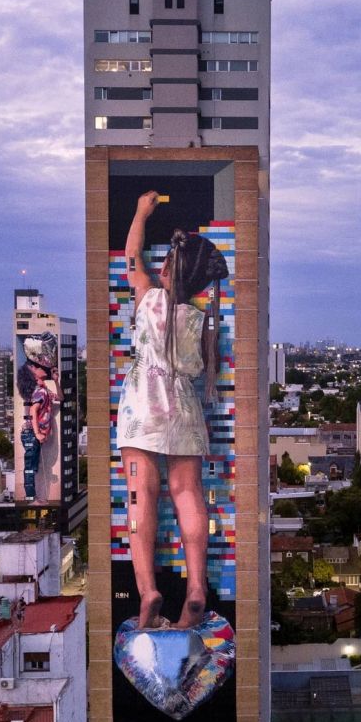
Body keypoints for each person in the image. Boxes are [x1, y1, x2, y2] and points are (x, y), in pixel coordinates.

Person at [117, 191, 229, 630]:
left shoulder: (147, 299)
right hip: (184, 413)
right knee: (188, 494)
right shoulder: (201, 321)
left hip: (142, 411)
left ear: (167, 269)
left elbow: (131, 258)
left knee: (140, 495)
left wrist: (141, 213)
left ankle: (149, 591)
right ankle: (197, 585)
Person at [17, 361, 64, 503]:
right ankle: (32, 498)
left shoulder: (44, 390)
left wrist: (56, 381)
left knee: (34, 467)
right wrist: (37, 434)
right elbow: (33, 410)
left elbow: (60, 398)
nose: (40, 368)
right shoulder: (39, 391)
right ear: (32, 373)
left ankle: (37, 497)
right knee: (31, 467)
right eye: (35, 367)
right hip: (32, 434)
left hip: (33, 434)